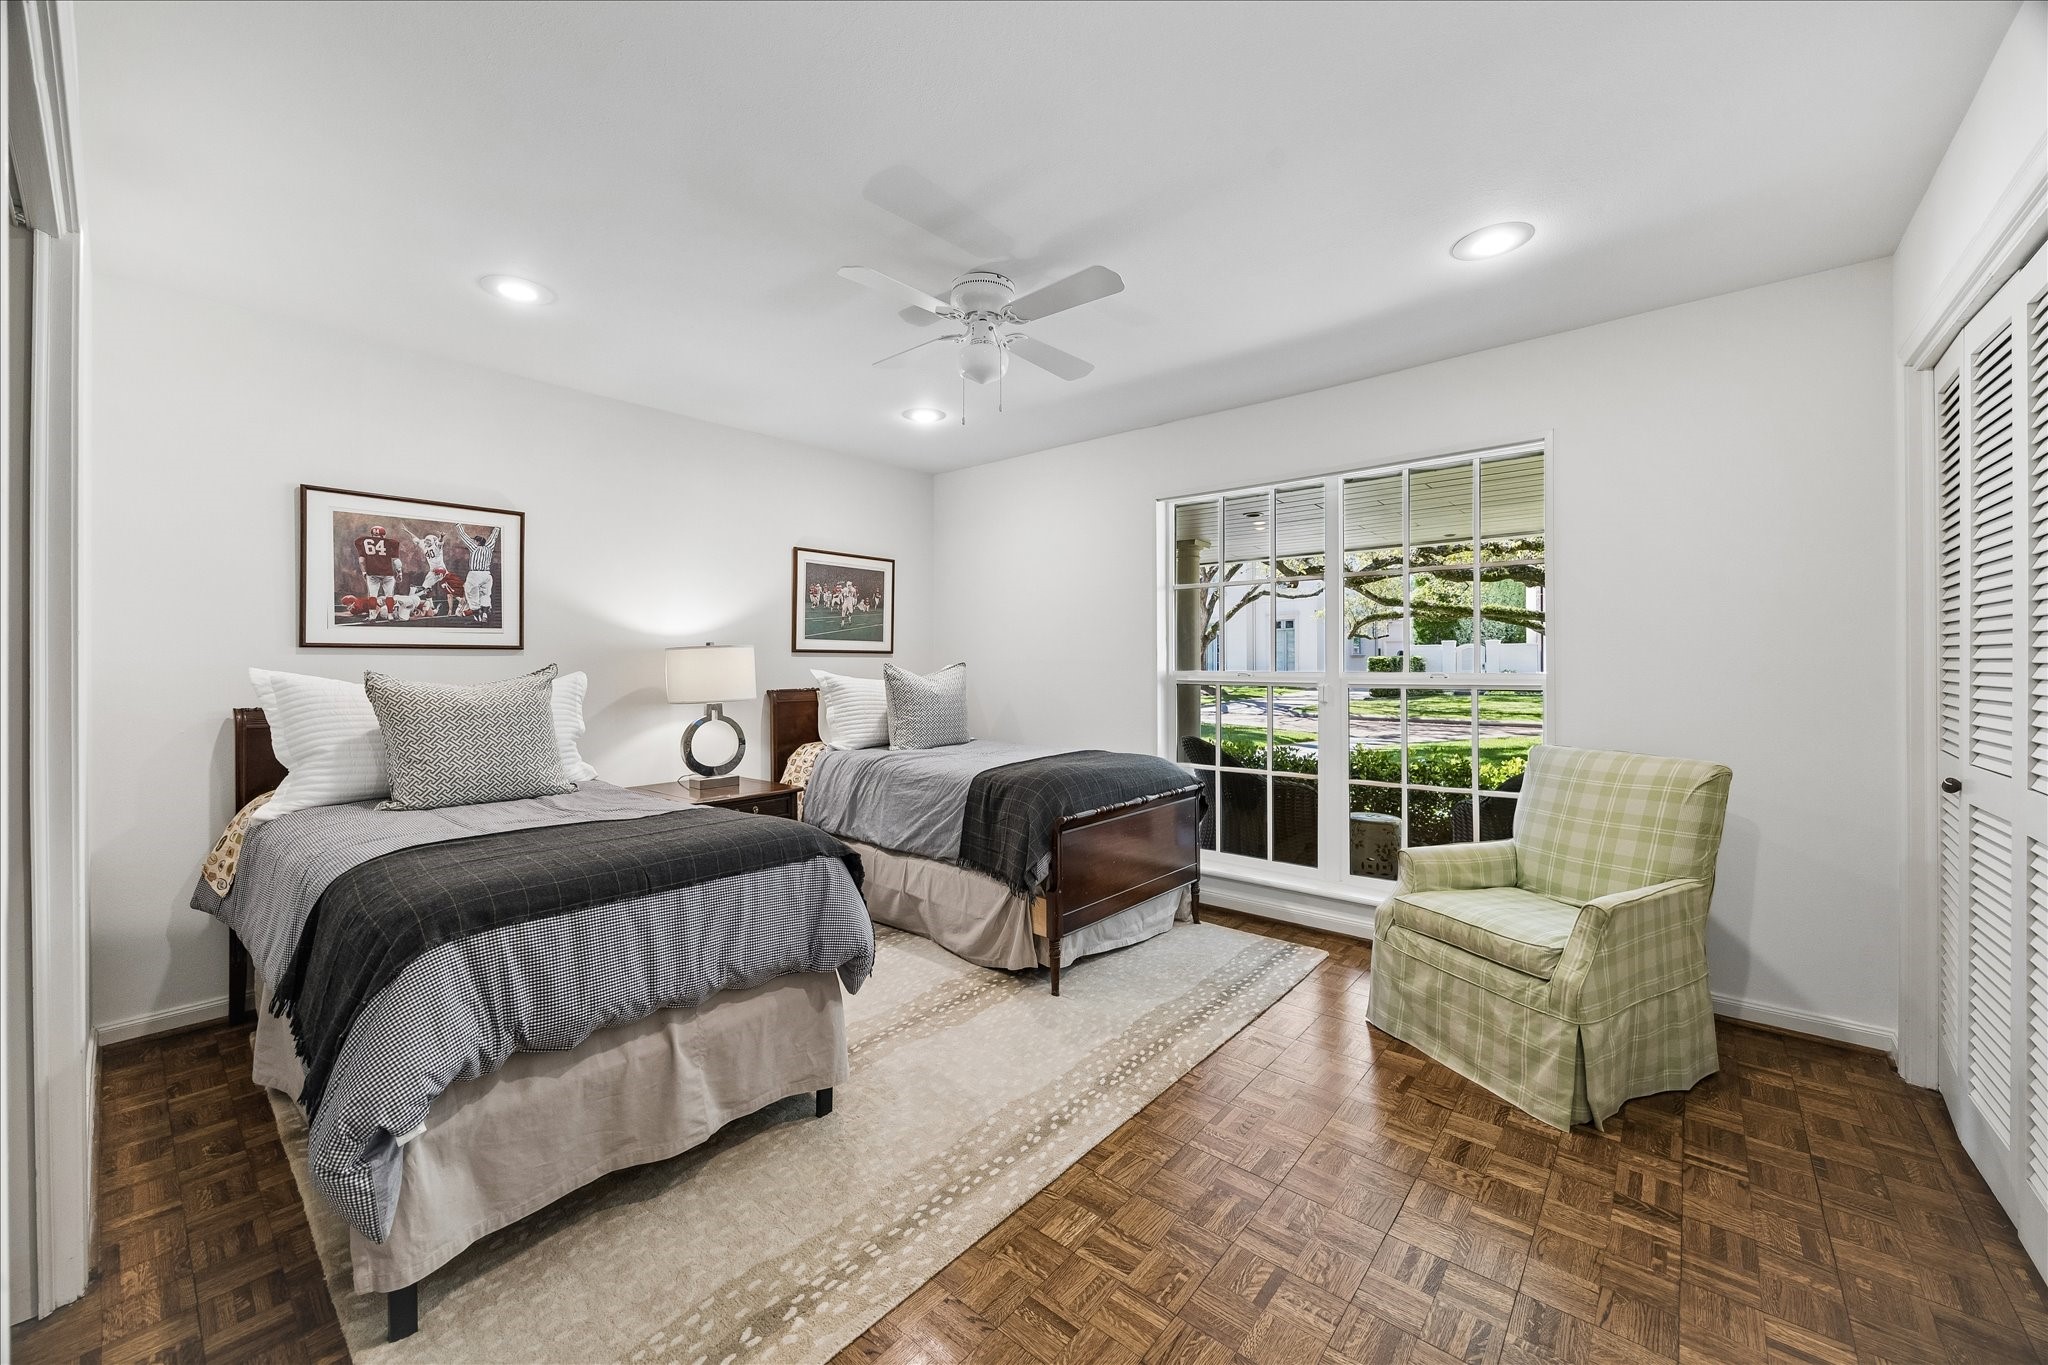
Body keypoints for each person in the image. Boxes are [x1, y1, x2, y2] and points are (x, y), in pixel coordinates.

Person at [352, 524, 402, 617]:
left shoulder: (363, 541)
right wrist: (399, 572)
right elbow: (396, 561)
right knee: (389, 595)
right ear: (383, 535)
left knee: (372, 596)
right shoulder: (391, 542)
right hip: (387, 573)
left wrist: (364, 572)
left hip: (372, 572)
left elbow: (361, 561)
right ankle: (390, 616)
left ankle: (372, 616)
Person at [457, 523, 500, 623]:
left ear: (477, 542)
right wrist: (497, 527)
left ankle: (477, 616)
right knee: (486, 594)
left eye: (474, 541)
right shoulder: (489, 548)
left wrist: (458, 525)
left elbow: (464, 536)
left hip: (475, 574)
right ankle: (484, 613)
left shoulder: (474, 547)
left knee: (472, 595)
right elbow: (493, 536)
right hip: (486, 574)